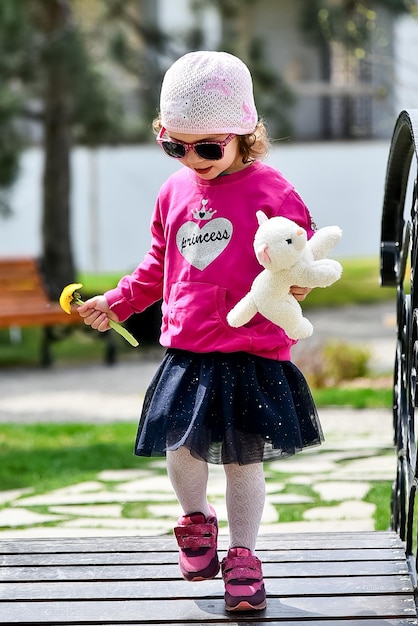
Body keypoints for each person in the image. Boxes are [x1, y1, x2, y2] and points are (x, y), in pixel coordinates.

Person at [78, 50, 323, 613]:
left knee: (242, 459)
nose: (193, 159)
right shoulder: (175, 192)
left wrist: (298, 283)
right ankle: (195, 518)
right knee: (180, 450)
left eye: (208, 147)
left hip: (251, 347)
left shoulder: (273, 193)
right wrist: (116, 301)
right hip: (188, 349)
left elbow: (298, 256)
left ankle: (243, 554)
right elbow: (157, 263)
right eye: (175, 145)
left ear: (245, 134)